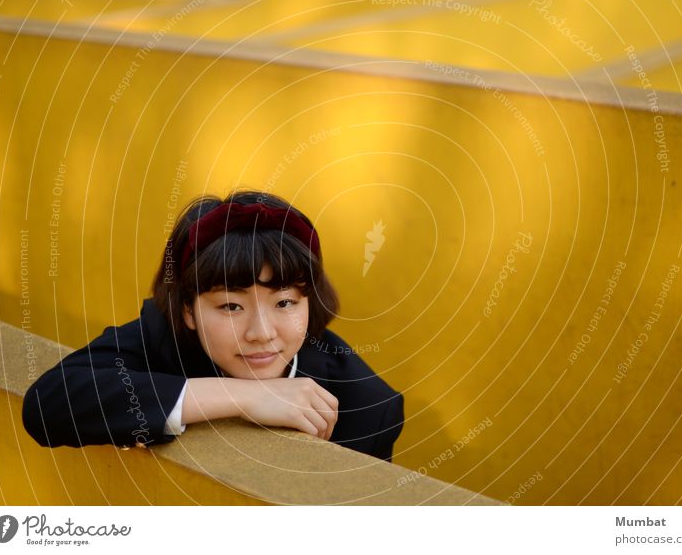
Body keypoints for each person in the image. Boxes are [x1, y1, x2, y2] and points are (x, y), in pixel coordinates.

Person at [22, 191, 404, 462]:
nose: (261, 333)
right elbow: (49, 403)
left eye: (285, 302)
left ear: (310, 301)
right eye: (231, 306)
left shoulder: (367, 406)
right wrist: (242, 396)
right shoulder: (163, 339)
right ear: (188, 309)